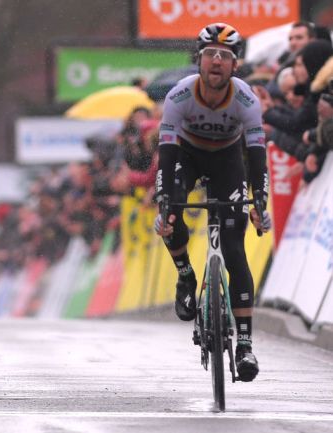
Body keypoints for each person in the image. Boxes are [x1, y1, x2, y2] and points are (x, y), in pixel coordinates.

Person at [154, 23, 271, 382]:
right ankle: (186, 276)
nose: (216, 62)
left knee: (235, 250)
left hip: (227, 162)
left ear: (235, 66)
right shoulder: (179, 96)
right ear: (199, 61)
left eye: (225, 56)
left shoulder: (246, 99)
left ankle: (246, 344)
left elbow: (256, 156)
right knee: (173, 214)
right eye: (210, 55)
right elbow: (167, 155)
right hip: (186, 157)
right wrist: (165, 204)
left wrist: (259, 202)